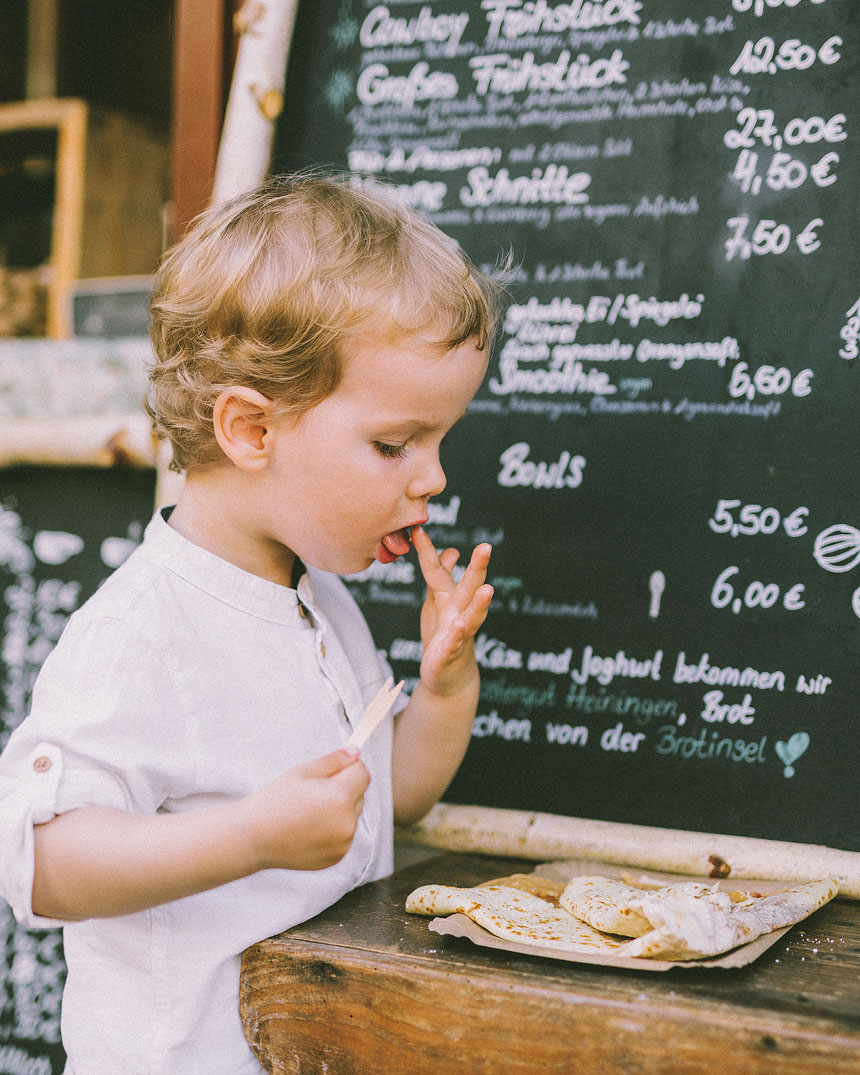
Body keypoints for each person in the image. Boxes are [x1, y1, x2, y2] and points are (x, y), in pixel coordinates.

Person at [0, 175, 502, 1074]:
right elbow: (44, 862)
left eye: (440, 442)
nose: (432, 477)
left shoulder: (321, 602)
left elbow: (390, 798)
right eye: (395, 444)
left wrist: (446, 684)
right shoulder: (142, 632)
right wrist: (251, 836)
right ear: (249, 430)